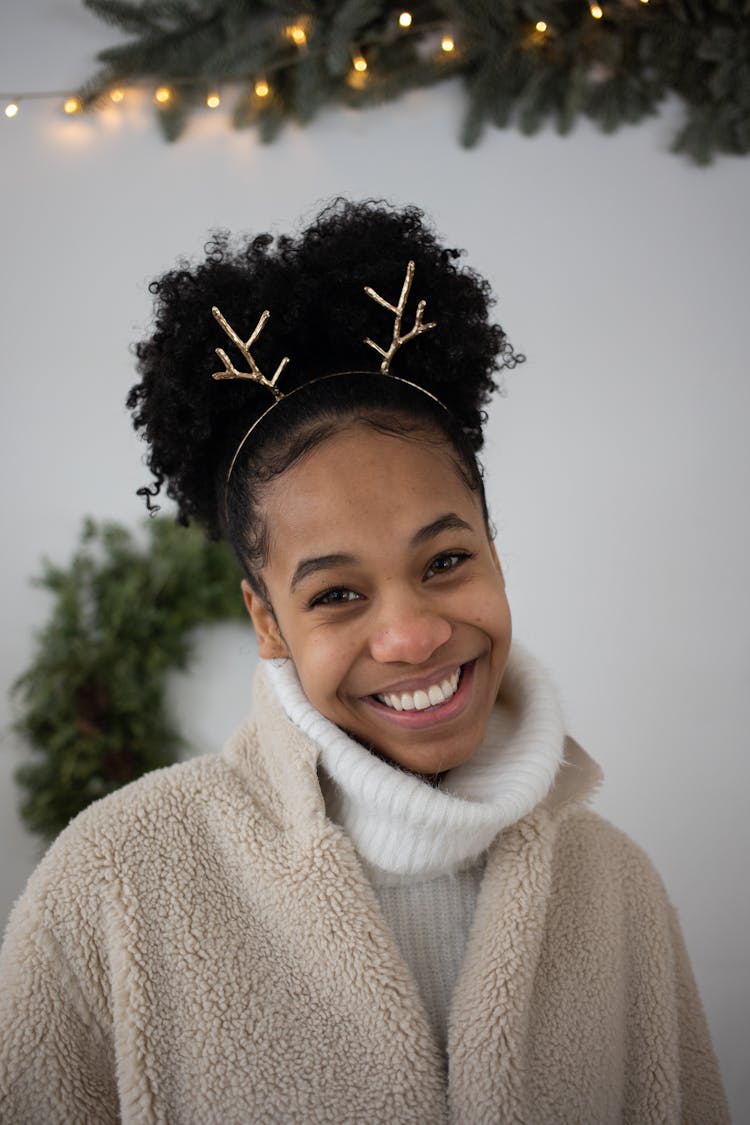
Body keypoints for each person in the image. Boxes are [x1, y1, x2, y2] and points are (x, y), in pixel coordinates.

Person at [0, 199, 729, 1124]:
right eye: (338, 594)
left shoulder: (615, 888)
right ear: (266, 620)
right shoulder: (111, 885)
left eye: (446, 561)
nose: (412, 635)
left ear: (495, 550)